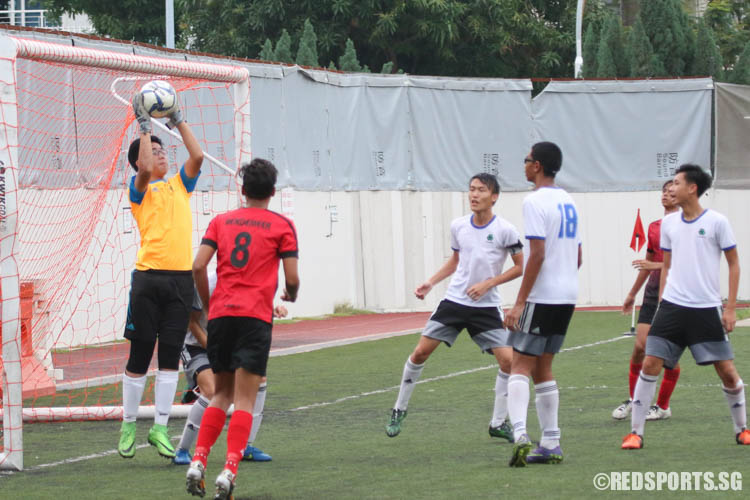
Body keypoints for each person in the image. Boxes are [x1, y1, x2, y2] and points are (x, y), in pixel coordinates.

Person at [186, 158, 299, 500]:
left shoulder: (220, 221)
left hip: (221, 317)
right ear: (273, 192)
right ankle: (230, 469)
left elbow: (197, 265)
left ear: (243, 189)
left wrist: (208, 306)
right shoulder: (282, 225)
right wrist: (290, 294)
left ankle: (198, 461)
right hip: (254, 317)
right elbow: (292, 278)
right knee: (246, 400)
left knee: (220, 394)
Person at [384, 173, 523, 441]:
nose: (474, 195)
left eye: (481, 190)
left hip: (486, 306)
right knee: (420, 353)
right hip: (455, 302)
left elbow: (520, 267)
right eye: (471, 189)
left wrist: (488, 284)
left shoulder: (506, 230)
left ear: (494, 196)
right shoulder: (459, 225)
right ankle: (399, 408)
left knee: (509, 361)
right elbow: (456, 261)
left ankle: (498, 423)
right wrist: (430, 282)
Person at [622, 164, 749, 449]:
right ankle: (635, 433)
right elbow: (666, 265)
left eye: (677, 183)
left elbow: (734, 263)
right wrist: (664, 301)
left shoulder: (717, 222)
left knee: (727, 371)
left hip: (706, 309)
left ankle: (742, 429)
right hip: (672, 308)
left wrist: (730, 308)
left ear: (692, 188)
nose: (671, 188)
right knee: (651, 362)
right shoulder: (668, 224)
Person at [118, 87, 204, 459]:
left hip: (180, 281)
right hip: (148, 280)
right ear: (139, 163)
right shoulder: (140, 190)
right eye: (153, 151)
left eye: (162, 149)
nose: (160, 153)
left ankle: (159, 429)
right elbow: (146, 168)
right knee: (140, 356)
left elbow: (198, 155)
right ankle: (127, 424)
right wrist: (143, 126)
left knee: (170, 357)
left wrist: (177, 120)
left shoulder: (179, 187)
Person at [504, 141, 582, 467]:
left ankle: (520, 434)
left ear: (536, 165)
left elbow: (536, 254)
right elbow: (577, 256)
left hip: (542, 295)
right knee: (543, 367)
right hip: (567, 296)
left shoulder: (533, 201)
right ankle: (551, 442)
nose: (523, 165)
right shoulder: (569, 201)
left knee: (519, 365)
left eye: (525, 160)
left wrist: (520, 302)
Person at [173, 270, 281, 465]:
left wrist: (273, 309)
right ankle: (182, 450)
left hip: (226, 344)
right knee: (212, 390)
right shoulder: (208, 285)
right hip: (195, 345)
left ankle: (245, 446)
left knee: (259, 379)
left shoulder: (251, 286)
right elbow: (192, 323)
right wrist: (215, 351)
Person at [613, 181, 681, 422]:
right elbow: (647, 262)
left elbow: (686, 262)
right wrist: (632, 293)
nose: (666, 194)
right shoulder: (654, 228)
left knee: (665, 354)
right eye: (663, 191)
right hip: (652, 294)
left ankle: (662, 406)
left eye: (672, 190)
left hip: (677, 294)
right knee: (640, 348)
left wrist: (655, 265)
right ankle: (636, 400)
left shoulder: (687, 226)